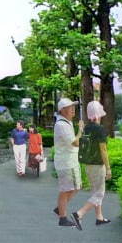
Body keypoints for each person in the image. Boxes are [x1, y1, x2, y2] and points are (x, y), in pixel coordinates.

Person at [74, 100, 113, 227]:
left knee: (95, 191)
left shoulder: (85, 128)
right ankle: (79, 214)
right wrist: (108, 168)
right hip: (97, 165)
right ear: (97, 114)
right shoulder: (100, 129)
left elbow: (76, 143)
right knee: (99, 193)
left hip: (88, 165)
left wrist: (79, 129)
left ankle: (99, 217)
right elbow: (103, 149)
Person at [53, 97, 82, 229]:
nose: (73, 109)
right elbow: (75, 142)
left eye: (73, 107)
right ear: (63, 110)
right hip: (66, 163)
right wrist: (81, 130)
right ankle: (62, 217)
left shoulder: (67, 122)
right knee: (66, 189)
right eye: (70, 107)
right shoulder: (61, 125)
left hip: (70, 161)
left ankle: (60, 208)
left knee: (76, 187)